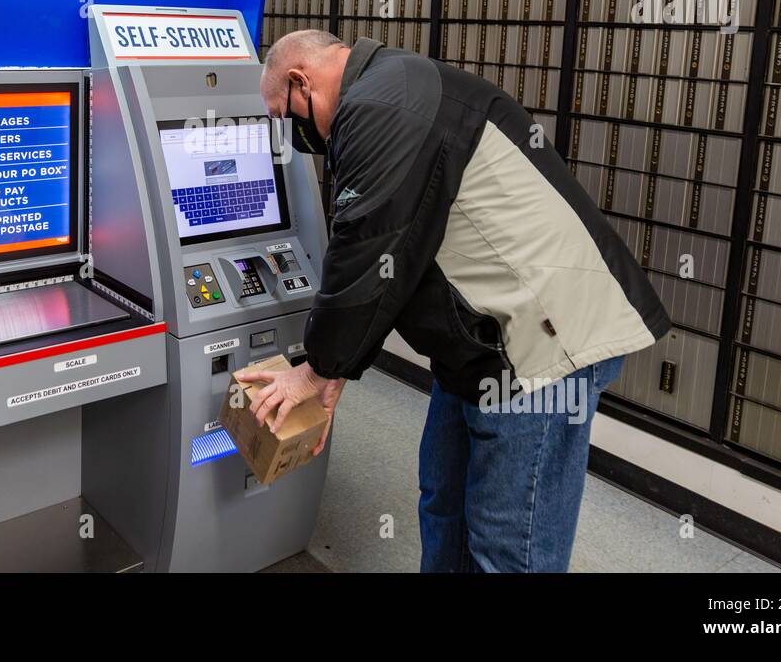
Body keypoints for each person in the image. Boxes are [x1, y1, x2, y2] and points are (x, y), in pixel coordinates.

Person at [238, 30, 670, 573]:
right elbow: (397, 257)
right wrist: (334, 370)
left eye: (285, 114)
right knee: (444, 503)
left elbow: (364, 253)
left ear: (302, 81)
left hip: (538, 347)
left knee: (509, 544)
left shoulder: (381, 104)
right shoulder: (388, 85)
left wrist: (317, 368)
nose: (292, 132)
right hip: (477, 343)